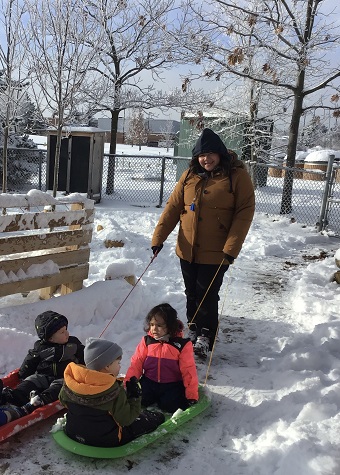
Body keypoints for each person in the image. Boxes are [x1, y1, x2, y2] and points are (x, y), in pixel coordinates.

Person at [151, 128, 255, 359]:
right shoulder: (189, 175)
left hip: (217, 250)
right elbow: (172, 208)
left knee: (207, 293)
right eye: (201, 155)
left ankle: (206, 335)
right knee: (191, 292)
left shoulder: (236, 176)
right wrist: (158, 239)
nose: (205, 159)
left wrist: (231, 247)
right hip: (187, 248)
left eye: (210, 154)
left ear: (219, 153)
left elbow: (244, 213)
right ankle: (194, 328)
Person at [58, 337, 165, 448]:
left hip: (73, 432)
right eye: (118, 362)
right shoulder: (112, 390)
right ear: (107, 366)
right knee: (142, 421)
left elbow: (62, 400)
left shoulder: (72, 382)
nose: (120, 366)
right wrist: (134, 397)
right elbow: (126, 419)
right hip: (106, 440)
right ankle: (156, 418)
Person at [0, 310, 84, 426]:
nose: (67, 334)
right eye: (62, 332)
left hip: (64, 376)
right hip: (42, 376)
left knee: (59, 389)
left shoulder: (73, 344)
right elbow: (30, 361)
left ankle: (39, 400)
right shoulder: (40, 347)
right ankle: (11, 397)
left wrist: (86, 369)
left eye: (66, 330)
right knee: (29, 382)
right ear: (50, 338)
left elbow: (85, 356)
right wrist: (23, 375)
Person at [125, 303, 199, 412]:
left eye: (159, 325)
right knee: (138, 399)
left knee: (171, 406)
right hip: (149, 382)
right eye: (152, 324)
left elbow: (188, 370)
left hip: (172, 384)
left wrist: (191, 394)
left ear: (170, 325)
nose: (154, 329)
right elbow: (136, 364)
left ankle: (168, 399)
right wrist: (129, 384)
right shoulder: (147, 341)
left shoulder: (181, 345)